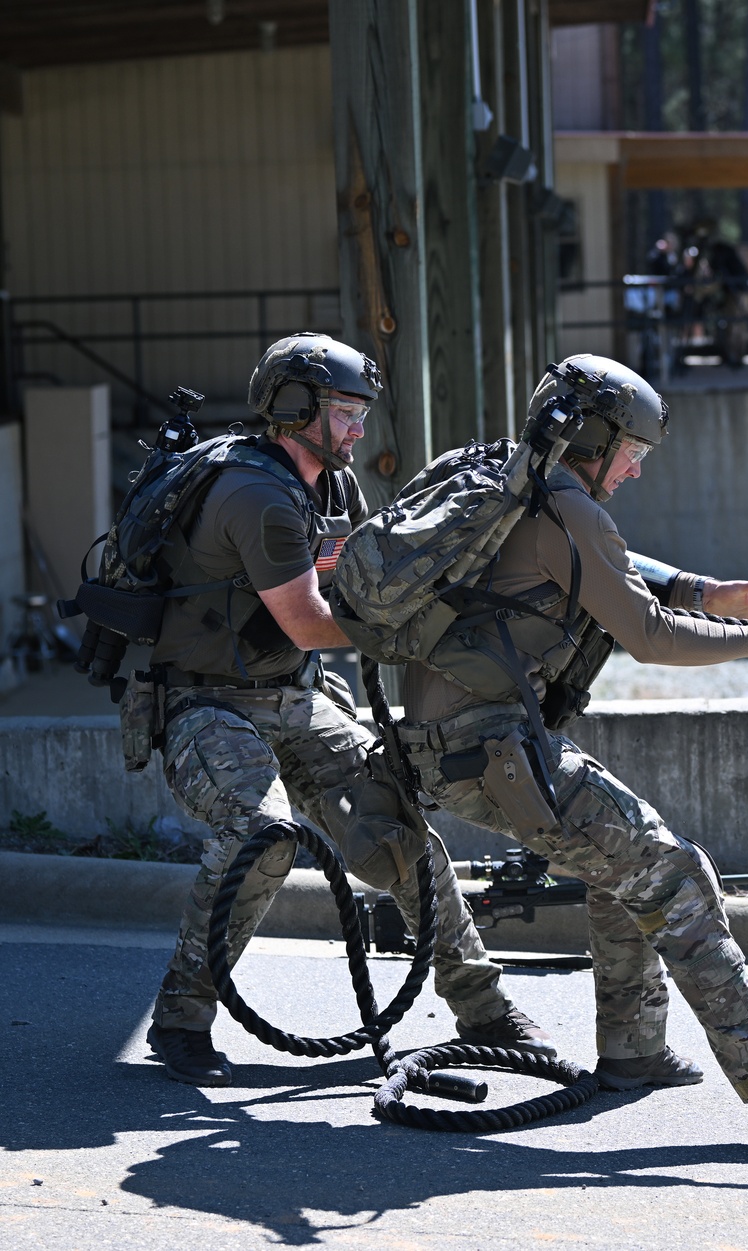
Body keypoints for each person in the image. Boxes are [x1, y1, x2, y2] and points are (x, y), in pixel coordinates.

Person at [395, 354, 748, 1147]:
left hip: (451, 743)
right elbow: (647, 632)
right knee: (670, 868)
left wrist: (704, 589)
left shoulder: (504, 478)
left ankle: (633, 1052)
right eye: (631, 450)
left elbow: (618, 573)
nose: (634, 469)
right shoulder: (570, 510)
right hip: (488, 747)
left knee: (624, 857)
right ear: (593, 439)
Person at [145, 332, 552, 1086]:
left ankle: (485, 1007)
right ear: (294, 409)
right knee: (260, 837)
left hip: (293, 696)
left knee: (399, 825)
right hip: (205, 705)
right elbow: (308, 620)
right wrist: (421, 628)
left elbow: (368, 586)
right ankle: (181, 1012)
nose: (359, 428)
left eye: (362, 411)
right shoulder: (257, 494)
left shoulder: (333, 486)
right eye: (343, 411)